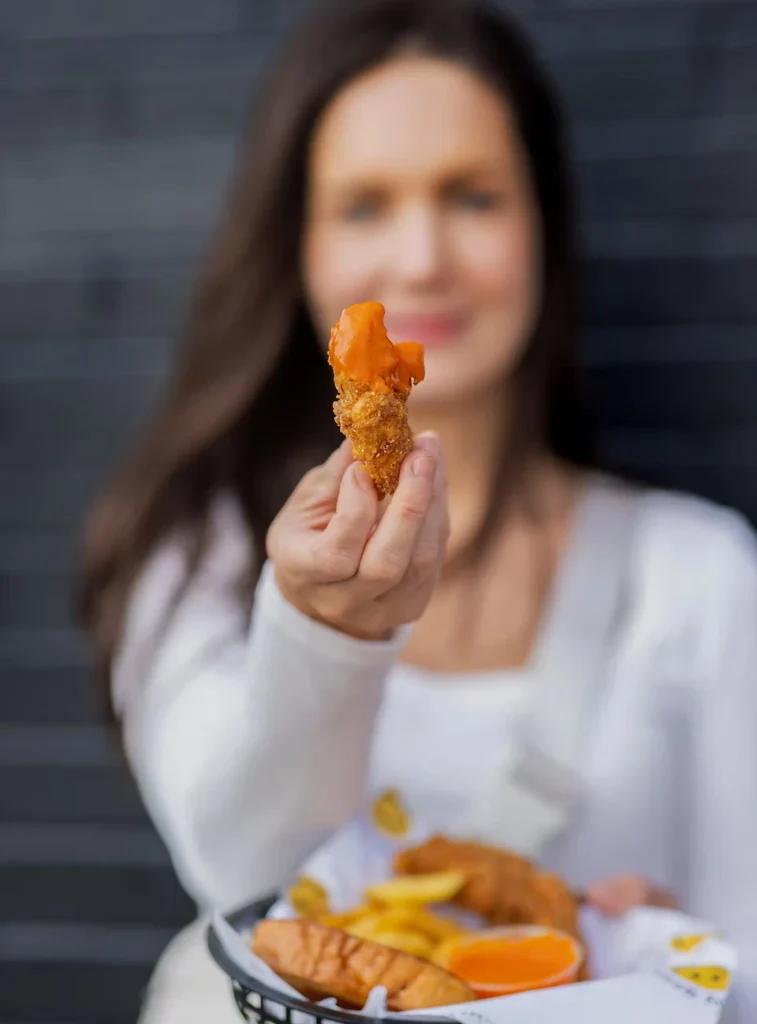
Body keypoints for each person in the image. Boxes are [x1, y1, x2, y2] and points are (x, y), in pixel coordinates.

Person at [79, 0, 757, 1020]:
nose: (422, 256)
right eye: (363, 205)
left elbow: (741, 953)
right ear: (295, 246)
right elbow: (238, 866)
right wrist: (320, 632)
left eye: (472, 197)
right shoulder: (193, 555)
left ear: (543, 223)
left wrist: (672, 965)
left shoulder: (699, 573)